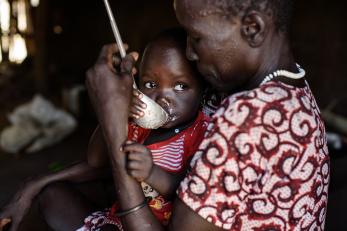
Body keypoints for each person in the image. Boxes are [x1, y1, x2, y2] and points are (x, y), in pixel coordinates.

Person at [85, 0, 330, 230]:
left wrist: (112, 120)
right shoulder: (291, 90)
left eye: (196, 37)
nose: (189, 52)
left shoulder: (250, 116)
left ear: (253, 29)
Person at [0, 28, 210, 231]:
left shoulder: (201, 132)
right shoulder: (139, 125)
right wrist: (114, 113)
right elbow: (96, 160)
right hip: (117, 219)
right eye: (150, 84)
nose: (163, 97)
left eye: (181, 86)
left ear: (203, 90)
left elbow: (187, 189)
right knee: (52, 195)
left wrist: (152, 173)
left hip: (151, 224)